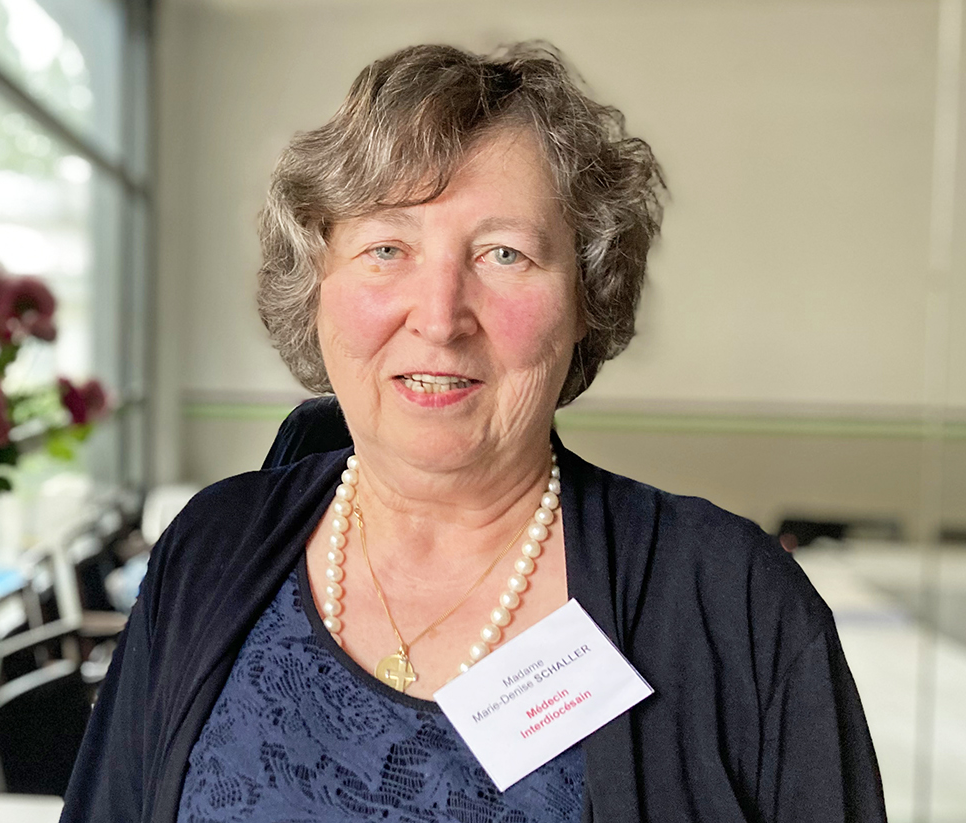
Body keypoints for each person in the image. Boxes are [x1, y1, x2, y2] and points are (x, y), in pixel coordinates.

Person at [60, 42, 883, 822]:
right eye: (387, 248)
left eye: (504, 255)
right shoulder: (209, 548)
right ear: (317, 289)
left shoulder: (736, 604)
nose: (442, 316)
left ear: (587, 294)